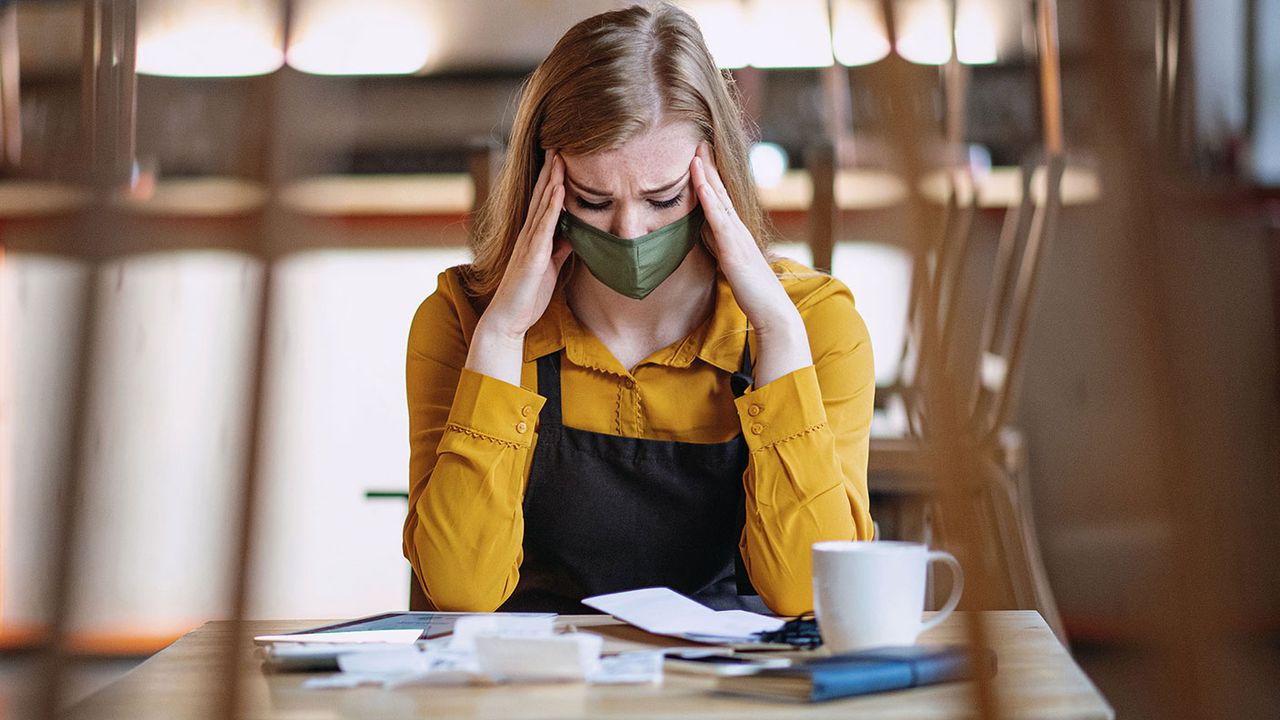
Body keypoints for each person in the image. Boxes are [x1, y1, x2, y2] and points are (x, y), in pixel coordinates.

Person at [403, 2, 874, 617]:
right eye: (593, 200)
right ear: (543, 185)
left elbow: (806, 594)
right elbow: (460, 590)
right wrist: (501, 338)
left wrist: (778, 332)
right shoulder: (459, 322)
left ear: (718, 179)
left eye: (664, 198)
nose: (629, 232)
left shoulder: (816, 324)